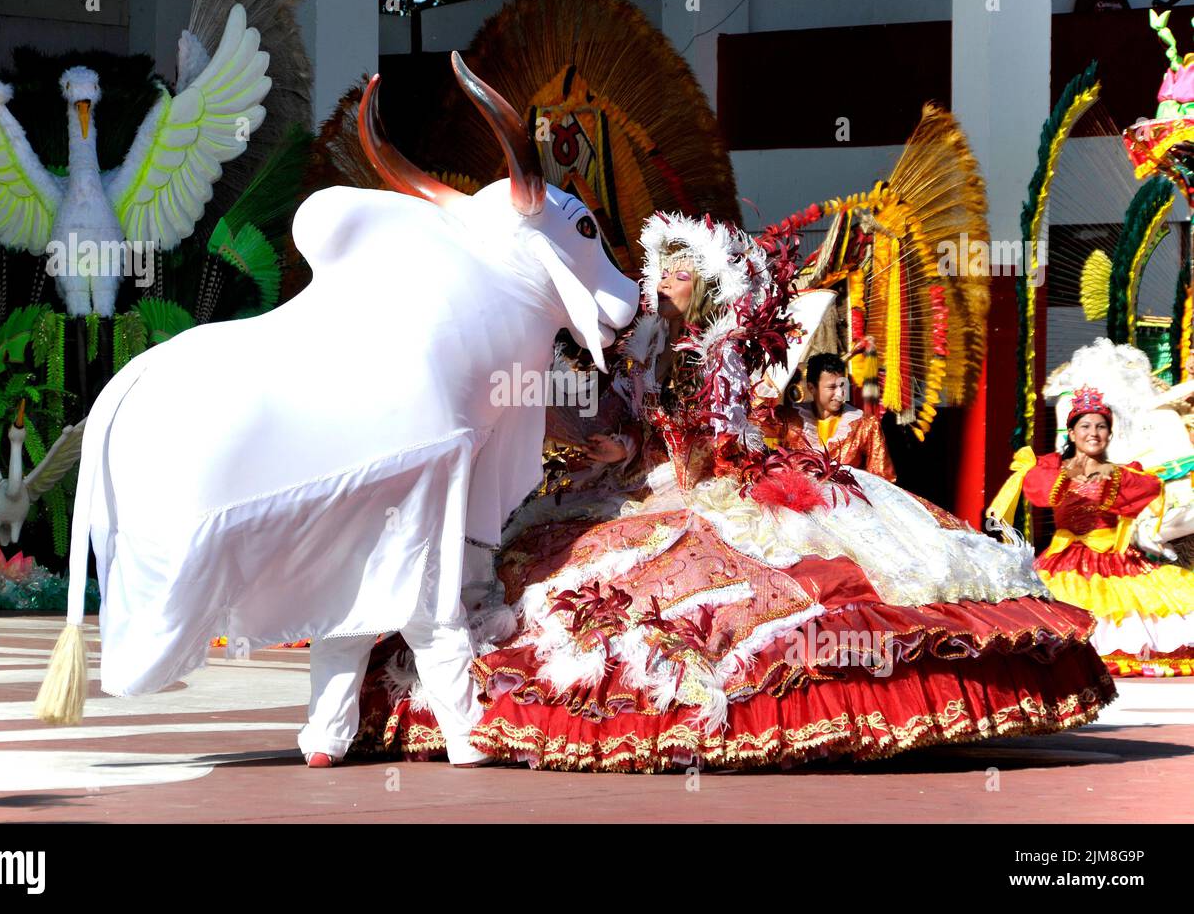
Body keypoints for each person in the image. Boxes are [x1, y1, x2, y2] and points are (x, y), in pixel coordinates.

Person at [356, 211, 1115, 771]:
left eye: (680, 271)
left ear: (710, 285)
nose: (662, 282)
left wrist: (649, 446)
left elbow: (724, 436)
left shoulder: (718, 352)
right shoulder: (641, 342)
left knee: (741, 591)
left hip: (713, 487)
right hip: (634, 486)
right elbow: (624, 416)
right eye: (660, 272)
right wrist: (607, 437)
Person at [992, 386, 1194, 677]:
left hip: (1117, 560)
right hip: (1063, 562)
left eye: (1101, 427)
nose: (1094, 433)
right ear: (1071, 433)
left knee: (1134, 614)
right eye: (1085, 426)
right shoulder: (1050, 470)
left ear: (1109, 435)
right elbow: (1040, 493)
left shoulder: (1125, 475)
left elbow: (1148, 492)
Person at [773, 352, 896, 481]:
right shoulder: (789, 419)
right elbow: (756, 425)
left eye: (843, 386)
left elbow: (882, 478)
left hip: (847, 499)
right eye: (831, 387)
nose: (839, 394)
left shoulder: (865, 424)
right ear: (812, 388)